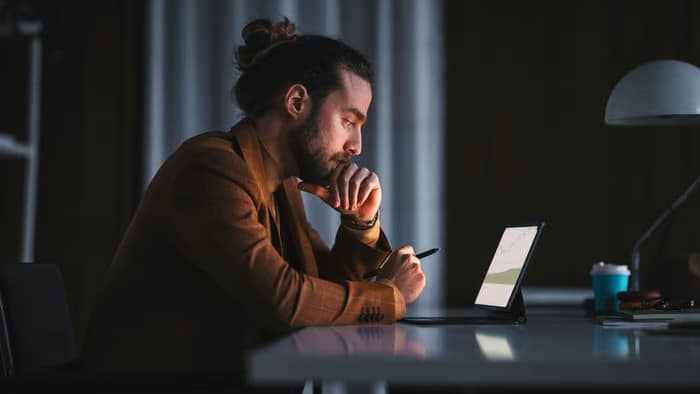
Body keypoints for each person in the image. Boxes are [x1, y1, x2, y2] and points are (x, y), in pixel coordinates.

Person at [81, 17, 426, 373]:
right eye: (348, 122)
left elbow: (320, 288)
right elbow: (286, 301)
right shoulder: (212, 169)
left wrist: (360, 222)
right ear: (296, 102)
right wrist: (391, 296)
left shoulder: (279, 182)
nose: (356, 146)